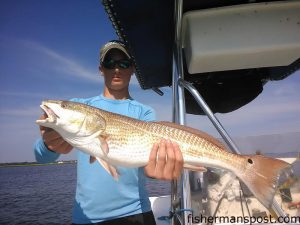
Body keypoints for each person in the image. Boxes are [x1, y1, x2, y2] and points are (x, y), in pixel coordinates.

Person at [34, 40, 184, 225]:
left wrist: (158, 168)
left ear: (132, 69)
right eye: (110, 63)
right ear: (101, 69)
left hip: (136, 213)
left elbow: (147, 166)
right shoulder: (82, 105)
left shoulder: (144, 112)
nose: (117, 69)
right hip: (86, 219)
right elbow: (41, 157)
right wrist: (48, 145)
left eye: (123, 64)